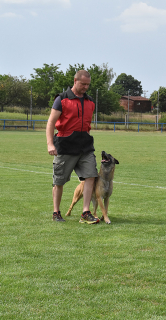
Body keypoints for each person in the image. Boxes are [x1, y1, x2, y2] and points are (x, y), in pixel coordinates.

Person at [46, 70, 100, 224]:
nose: (85, 87)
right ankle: (56, 212)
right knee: (59, 181)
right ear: (75, 80)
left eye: (88, 85)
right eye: (83, 84)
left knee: (91, 176)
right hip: (65, 146)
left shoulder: (90, 102)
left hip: (86, 147)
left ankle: (85, 212)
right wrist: (50, 143)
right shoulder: (61, 99)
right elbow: (51, 122)